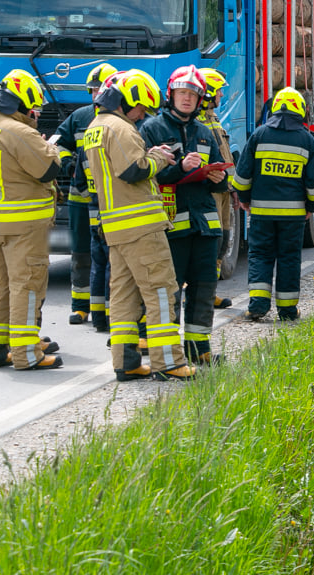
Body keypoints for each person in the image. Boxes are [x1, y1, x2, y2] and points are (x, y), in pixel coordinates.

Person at [84, 69, 194, 381]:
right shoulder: (120, 128)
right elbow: (134, 170)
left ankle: (126, 362)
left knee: (123, 296)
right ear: (129, 100)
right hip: (142, 226)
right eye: (141, 108)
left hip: (116, 226)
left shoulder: (96, 126)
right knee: (161, 291)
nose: (142, 116)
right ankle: (169, 363)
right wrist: (158, 157)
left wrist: (146, 155)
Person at [0, 69, 62, 370]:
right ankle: (27, 353)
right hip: (25, 224)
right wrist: (50, 147)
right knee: (27, 286)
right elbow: (48, 168)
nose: (35, 113)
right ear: (24, 102)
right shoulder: (19, 132)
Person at [140, 66, 225, 364]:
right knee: (168, 291)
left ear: (201, 99)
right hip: (170, 226)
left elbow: (221, 175)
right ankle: (166, 352)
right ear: (171, 95)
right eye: (182, 93)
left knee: (204, 288)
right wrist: (180, 169)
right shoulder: (152, 129)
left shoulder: (204, 132)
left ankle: (199, 349)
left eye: (193, 94)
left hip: (205, 225)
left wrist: (218, 177)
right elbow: (144, 176)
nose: (187, 99)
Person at [232, 87, 314, 322]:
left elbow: (242, 176)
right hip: (293, 216)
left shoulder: (259, 135)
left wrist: (243, 199)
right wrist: (311, 208)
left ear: (274, 108)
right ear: (300, 111)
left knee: (260, 255)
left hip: (261, 213)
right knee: (289, 258)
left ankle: (258, 306)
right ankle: (287, 311)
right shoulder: (307, 140)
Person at [54, 62, 117, 328]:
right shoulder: (79, 117)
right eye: (91, 91)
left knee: (108, 256)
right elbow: (57, 143)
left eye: (99, 90)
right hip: (80, 199)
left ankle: (107, 308)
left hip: (109, 201)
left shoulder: (119, 121)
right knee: (80, 252)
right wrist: (68, 164)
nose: (94, 96)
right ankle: (80, 306)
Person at [197, 68, 237, 310]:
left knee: (222, 240)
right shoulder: (198, 122)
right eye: (219, 90)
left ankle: (211, 291)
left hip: (222, 190)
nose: (222, 95)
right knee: (210, 242)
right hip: (209, 191)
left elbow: (225, 155)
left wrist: (232, 187)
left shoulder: (213, 119)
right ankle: (202, 291)